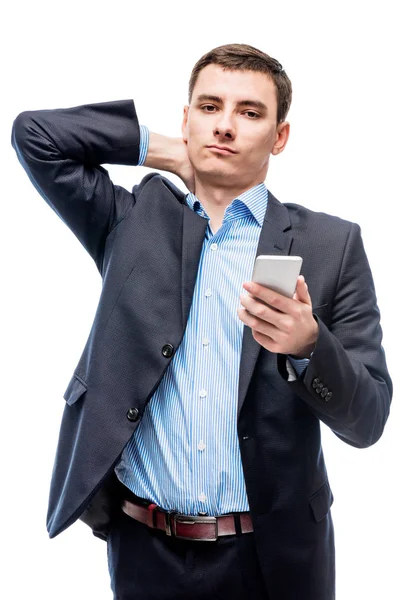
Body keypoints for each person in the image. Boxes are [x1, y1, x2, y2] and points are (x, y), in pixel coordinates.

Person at [11, 43, 392, 600]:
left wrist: (311, 346)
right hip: (145, 547)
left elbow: (370, 419)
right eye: (209, 107)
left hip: (274, 557)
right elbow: (34, 136)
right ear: (186, 117)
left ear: (280, 137)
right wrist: (163, 150)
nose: (226, 127)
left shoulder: (331, 246)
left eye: (251, 112)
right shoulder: (130, 220)